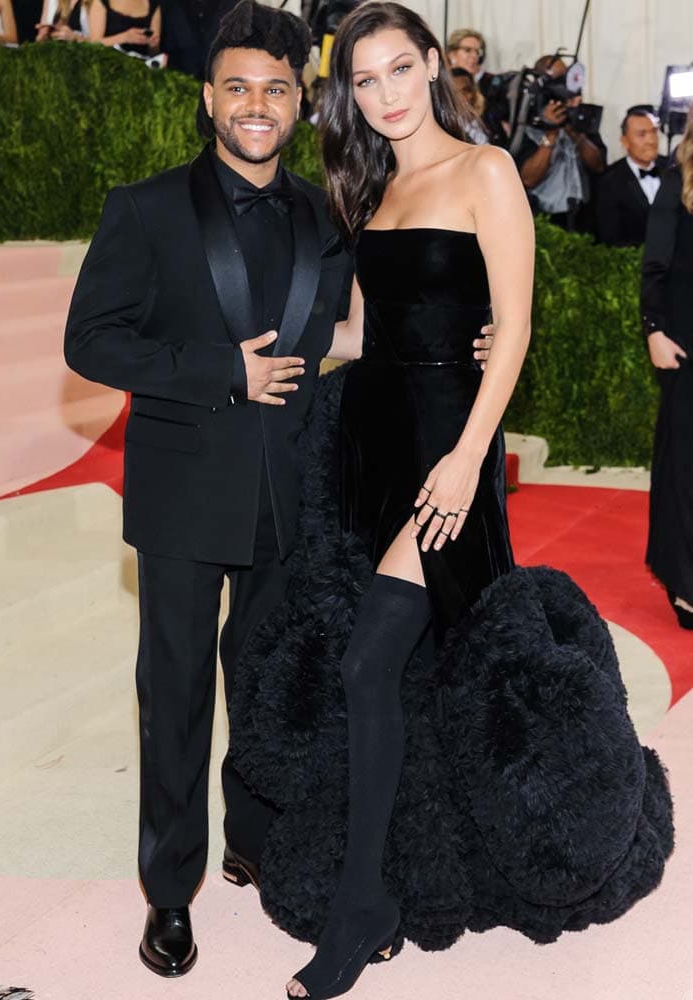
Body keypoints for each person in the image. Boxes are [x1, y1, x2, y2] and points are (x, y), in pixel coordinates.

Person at [217, 5, 672, 999]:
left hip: (444, 449)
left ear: (431, 65)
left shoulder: (486, 171)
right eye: (364, 80)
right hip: (376, 445)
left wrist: (470, 457)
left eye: (396, 70)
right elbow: (361, 335)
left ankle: (363, 907)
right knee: (405, 669)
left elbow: (510, 329)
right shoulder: (374, 187)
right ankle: (404, 861)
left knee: (372, 652)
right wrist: (254, 346)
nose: (382, 94)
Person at [64, 0, 497, 978]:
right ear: (206, 98)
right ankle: (169, 893)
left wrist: (460, 338)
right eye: (236, 88)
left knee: (264, 683)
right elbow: (88, 340)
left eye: (274, 89)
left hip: (291, 494)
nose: (255, 105)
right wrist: (221, 369)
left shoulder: (324, 212)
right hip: (181, 497)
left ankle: (249, 832)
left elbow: (364, 327)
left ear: (299, 101)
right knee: (172, 697)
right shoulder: (144, 207)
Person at [641, 105, 693, 629]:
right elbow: (655, 262)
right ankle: (687, 583)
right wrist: (653, 329)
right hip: (686, 346)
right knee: (685, 470)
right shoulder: (677, 181)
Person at [513, 54, 606, 233]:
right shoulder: (525, 123)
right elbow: (527, 179)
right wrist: (551, 133)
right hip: (544, 222)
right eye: (558, 80)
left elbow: (598, 165)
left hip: (584, 219)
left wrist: (576, 132)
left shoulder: (579, 119)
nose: (566, 87)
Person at [597, 106, 669, 246]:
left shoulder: (673, 170)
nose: (651, 140)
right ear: (625, 141)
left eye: (654, 132)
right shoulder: (610, 181)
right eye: (642, 134)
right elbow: (610, 238)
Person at [160, 0, 235, 77]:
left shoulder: (235, 5)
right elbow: (166, 47)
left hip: (223, 77)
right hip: (181, 78)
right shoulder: (170, 6)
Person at [88, 0, 161, 54]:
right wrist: (125, 37)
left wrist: (153, 45)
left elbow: (153, 53)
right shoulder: (101, 2)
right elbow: (93, 44)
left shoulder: (154, 4)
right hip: (106, 64)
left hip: (139, 67)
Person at [450, 67, 489, 144]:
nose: (462, 97)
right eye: (455, 93)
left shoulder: (489, 119)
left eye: (466, 90)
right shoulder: (448, 131)